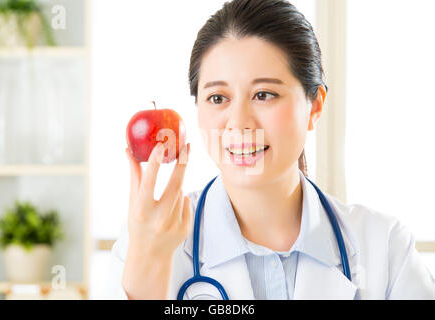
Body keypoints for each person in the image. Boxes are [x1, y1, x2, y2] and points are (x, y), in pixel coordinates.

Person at [104, 0, 435, 299]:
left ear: (315, 106)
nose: (239, 123)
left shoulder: (386, 250)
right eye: (218, 98)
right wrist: (147, 268)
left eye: (264, 94)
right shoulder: (146, 243)